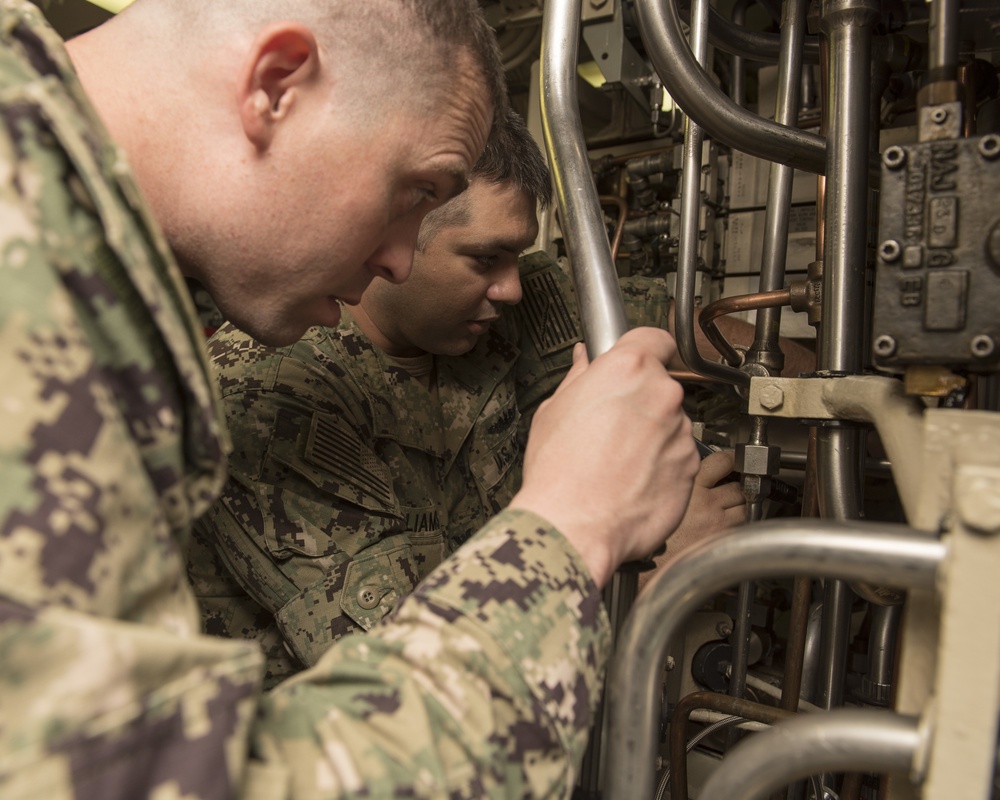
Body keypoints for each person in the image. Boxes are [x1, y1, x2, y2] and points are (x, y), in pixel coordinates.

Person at [0, 2, 700, 798]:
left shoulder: (62, 233)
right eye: (412, 193)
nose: (401, 260)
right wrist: (578, 530)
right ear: (276, 87)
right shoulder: (24, 265)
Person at [191, 107, 749, 688]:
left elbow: (690, 327)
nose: (511, 287)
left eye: (517, 254)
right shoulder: (267, 398)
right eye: (485, 259)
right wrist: (651, 571)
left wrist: (819, 389)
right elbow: (414, 687)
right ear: (392, 237)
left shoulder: (518, 301)